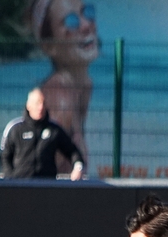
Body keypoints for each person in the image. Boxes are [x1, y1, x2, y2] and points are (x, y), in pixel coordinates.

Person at [31, 0, 98, 175]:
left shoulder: (83, 86)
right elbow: (47, 167)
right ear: (49, 46)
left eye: (88, 12)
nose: (86, 26)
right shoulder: (60, 97)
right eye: (70, 21)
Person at [0, 87, 85, 180]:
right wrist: (10, 179)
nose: (40, 107)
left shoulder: (54, 130)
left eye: (43, 103)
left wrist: (78, 167)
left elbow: (73, 152)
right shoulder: (15, 128)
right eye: (37, 103)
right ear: (28, 106)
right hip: (21, 183)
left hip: (46, 184)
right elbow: (4, 156)